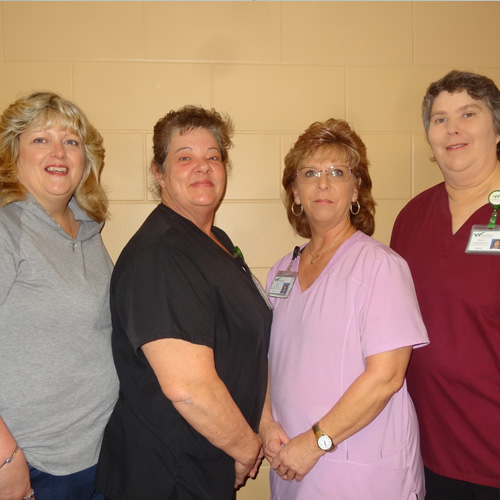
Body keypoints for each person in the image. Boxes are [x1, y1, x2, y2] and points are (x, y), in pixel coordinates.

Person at [95, 105, 272, 500]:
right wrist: (246, 449)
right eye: (185, 157)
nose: (203, 167)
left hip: (205, 462)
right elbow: (188, 387)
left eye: (213, 156)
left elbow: (244, 347)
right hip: (164, 474)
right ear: (159, 173)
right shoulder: (160, 254)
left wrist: (264, 423)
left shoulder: (218, 242)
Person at [259, 118, 429, 500]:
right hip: (292, 463)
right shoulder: (281, 271)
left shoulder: (381, 266)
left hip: (361, 472)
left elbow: (386, 378)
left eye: (337, 172)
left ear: (356, 191)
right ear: (295, 192)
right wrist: (265, 422)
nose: (323, 183)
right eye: (310, 173)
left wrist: (315, 443)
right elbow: (270, 359)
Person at [0, 92, 119, 500]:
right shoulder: (7, 229)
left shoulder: (88, 229)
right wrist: (5, 458)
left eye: (71, 141)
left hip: (100, 455)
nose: (59, 151)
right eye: (40, 139)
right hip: (34, 465)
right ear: (12, 152)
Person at [391, 70, 500, 499]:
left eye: (468, 114)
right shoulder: (412, 218)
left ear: (496, 128)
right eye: (439, 119)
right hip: (425, 452)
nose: (452, 128)